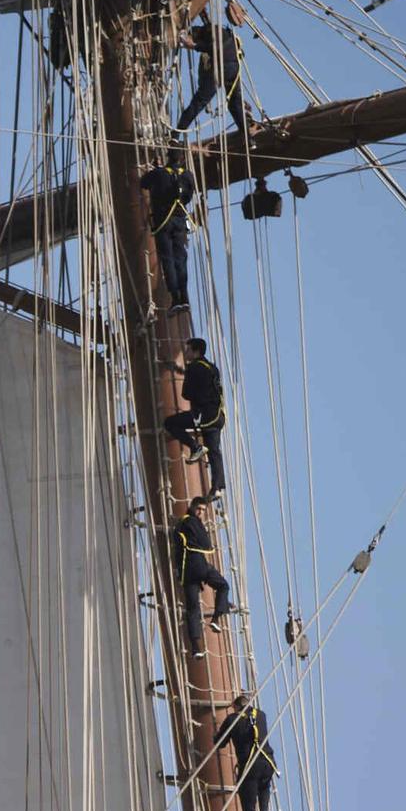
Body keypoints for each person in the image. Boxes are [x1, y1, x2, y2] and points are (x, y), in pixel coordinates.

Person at [213, 691, 276, 811]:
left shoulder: (232, 720)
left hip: (250, 768)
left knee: (249, 809)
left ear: (236, 707)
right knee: (264, 787)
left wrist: (217, 733)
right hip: (268, 763)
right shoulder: (261, 715)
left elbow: (220, 742)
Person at [164, 336, 226, 495]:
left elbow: (186, 393)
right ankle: (217, 487)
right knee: (214, 451)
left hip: (203, 416)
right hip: (217, 416)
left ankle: (195, 446)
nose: (185, 352)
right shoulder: (212, 367)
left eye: (188, 349)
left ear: (195, 351)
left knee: (170, 423)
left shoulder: (194, 367)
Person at [171, 494, 231, 657]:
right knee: (223, 585)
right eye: (199, 509)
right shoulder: (192, 522)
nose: (200, 512)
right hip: (199, 566)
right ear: (192, 507)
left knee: (193, 609)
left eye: (203, 510)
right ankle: (216, 618)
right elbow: (205, 544)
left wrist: (178, 572)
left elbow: (178, 549)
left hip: (186, 571)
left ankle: (196, 647)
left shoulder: (180, 524)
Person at [139, 148, 194, 312]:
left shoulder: (159, 174)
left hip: (163, 222)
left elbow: (144, 183)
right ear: (182, 158)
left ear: (167, 158)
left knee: (168, 260)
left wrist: (157, 170)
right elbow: (189, 195)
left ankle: (175, 299)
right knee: (181, 259)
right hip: (179, 221)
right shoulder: (187, 175)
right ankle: (184, 296)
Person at [178, 19, 248, 137]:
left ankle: (176, 133)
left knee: (198, 103)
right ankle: (247, 137)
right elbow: (203, 73)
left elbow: (215, 47)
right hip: (234, 67)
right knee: (234, 103)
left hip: (223, 66)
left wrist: (194, 45)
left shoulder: (211, 32)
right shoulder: (218, 31)